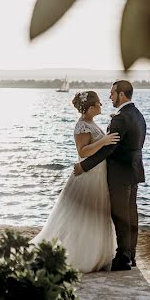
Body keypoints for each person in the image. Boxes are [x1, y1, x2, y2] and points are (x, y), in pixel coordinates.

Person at [32, 91, 119, 273]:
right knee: (82, 216)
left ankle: (98, 254)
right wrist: (104, 141)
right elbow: (83, 152)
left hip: (98, 175)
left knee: (96, 213)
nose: (101, 106)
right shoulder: (81, 126)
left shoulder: (91, 123)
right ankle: (81, 255)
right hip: (87, 177)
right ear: (90, 108)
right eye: (99, 104)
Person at [73, 80, 146, 270]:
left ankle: (123, 258)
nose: (109, 97)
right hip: (134, 170)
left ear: (121, 94)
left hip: (120, 173)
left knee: (121, 215)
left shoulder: (120, 117)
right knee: (131, 214)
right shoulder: (138, 115)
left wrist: (84, 166)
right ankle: (131, 255)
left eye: (112, 93)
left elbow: (109, 149)